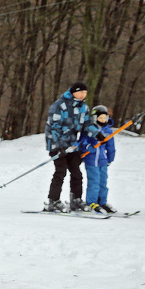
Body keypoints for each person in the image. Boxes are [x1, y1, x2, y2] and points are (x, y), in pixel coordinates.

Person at [43, 81, 103, 212]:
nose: (83, 95)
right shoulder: (60, 105)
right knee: (60, 171)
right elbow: (54, 127)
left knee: (76, 173)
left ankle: (76, 200)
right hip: (56, 145)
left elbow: (87, 124)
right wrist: (58, 147)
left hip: (72, 145)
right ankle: (53, 201)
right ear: (73, 92)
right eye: (80, 92)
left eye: (85, 93)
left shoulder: (84, 108)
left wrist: (97, 135)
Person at [79, 104, 117, 213]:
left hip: (103, 161)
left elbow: (111, 146)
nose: (103, 120)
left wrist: (110, 158)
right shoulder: (89, 129)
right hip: (91, 160)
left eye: (105, 118)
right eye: (100, 118)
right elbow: (82, 142)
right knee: (94, 182)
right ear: (95, 118)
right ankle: (92, 202)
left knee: (103, 183)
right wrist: (87, 147)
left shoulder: (108, 131)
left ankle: (102, 202)